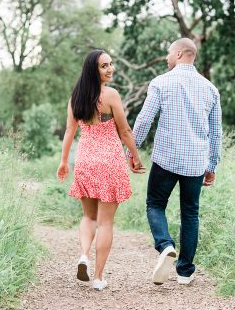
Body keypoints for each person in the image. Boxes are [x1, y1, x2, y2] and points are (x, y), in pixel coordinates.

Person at [128, 37, 222, 286]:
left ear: (180, 54)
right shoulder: (210, 89)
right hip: (195, 163)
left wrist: (132, 153)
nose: (167, 58)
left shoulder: (161, 82)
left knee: (155, 205)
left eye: (169, 54)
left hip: (165, 159)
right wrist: (211, 166)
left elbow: (144, 120)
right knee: (190, 213)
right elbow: (216, 131)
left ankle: (165, 245)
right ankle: (185, 271)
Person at [57, 49, 145, 291]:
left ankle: (83, 255)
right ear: (93, 70)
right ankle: (97, 277)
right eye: (104, 66)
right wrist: (135, 157)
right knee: (105, 223)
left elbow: (69, 131)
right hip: (110, 162)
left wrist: (64, 161)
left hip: (85, 160)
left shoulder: (76, 97)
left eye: (111, 64)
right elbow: (125, 131)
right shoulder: (111, 95)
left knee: (88, 217)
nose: (110, 69)